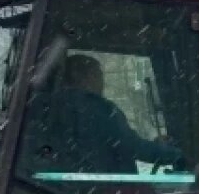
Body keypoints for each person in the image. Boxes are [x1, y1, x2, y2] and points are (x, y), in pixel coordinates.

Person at [49, 53, 184, 174]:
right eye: (98, 75)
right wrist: (174, 154)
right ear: (85, 76)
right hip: (105, 190)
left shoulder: (51, 108)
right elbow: (132, 146)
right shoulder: (99, 109)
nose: (102, 83)